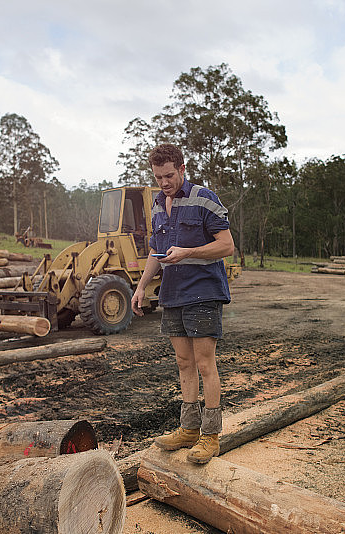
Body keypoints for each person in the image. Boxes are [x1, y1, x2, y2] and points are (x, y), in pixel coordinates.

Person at [131, 143, 234, 464]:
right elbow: (156, 250)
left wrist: (188, 252)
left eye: (169, 176)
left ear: (182, 169)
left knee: (205, 364)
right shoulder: (157, 205)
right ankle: (189, 429)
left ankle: (210, 436)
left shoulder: (204, 198)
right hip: (172, 293)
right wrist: (141, 286)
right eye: (158, 177)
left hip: (203, 292)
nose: (164, 182)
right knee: (183, 362)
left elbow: (226, 246)